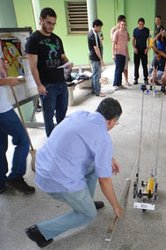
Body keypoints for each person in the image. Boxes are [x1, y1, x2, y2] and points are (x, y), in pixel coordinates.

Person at [25, 97, 123, 248]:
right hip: (57, 182)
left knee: (94, 167)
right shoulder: (103, 137)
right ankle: (40, 231)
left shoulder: (80, 115)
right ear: (111, 121)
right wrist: (116, 206)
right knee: (88, 215)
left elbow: (85, 142)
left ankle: (85, 202)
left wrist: (108, 157)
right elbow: (105, 181)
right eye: (115, 123)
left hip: (43, 167)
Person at [25, 7, 72, 137]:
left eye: (53, 23)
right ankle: (51, 142)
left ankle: (61, 138)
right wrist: (39, 85)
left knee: (62, 113)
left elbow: (62, 57)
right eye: (48, 23)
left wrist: (68, 64)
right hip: (47, 86)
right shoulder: (33, 40)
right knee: (48, 116)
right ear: (41, 20)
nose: (51, 26)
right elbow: (32, 66)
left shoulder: (57, 39)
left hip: (61, 82)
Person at [0, 59, 35, 195]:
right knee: (23, 140)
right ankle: (15, 177)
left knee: (1, 146)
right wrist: (8, 80)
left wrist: (4, 70)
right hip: (2, 110)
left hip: (2, 107)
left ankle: (1, 183)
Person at [110, 15, 131, 86]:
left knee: (122, 68)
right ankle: (116, 84)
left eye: (125, 24)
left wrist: (128, 55)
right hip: (118, 52)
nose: (123, 25)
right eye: (122, 24)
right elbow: (113, 42)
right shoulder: (115, 31)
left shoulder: (125, 32)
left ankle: (120, 83)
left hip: (124, 53)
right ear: (119, 23)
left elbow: (126, 42)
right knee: (118, 69)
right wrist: (113, 54)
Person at [88, 19, 105, 97]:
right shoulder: (92, 35)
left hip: (94, 57)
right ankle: (97, 92)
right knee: (96, 75)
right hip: (95, 58)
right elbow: (96, 48)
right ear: (95, 26)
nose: (100, 29)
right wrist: (101, 59)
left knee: (95, 74)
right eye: (99, 27)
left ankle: (94, 90)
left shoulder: (95, 33)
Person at [132, 18, 150, 85]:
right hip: (137, 50)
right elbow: (133, 40)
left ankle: (146, 79)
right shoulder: (135, 30)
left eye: (142, 24)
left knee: (144, 65)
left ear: (144, 24)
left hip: (144, 50)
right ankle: (136, 79)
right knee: (136, 65)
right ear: (138, 24)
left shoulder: (147, 30)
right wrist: (134, 48)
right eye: (140, 24)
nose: (141, 26)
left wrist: (147, 49)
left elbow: (149, 40)